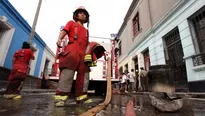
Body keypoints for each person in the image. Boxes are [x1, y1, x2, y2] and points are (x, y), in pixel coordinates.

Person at [54, 6, 92, 107]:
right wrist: (59, 39)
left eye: (84, 14)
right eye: (80, 13)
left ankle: (82, 97)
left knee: (84, 75)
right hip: (72, 50)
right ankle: (61, 98)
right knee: (67, 74)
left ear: (86, 18)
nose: (83, 14)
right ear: (76, 15)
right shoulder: (71, 23)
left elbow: (87, 44)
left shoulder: (86, 31)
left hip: (83, 53)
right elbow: (64, 31)